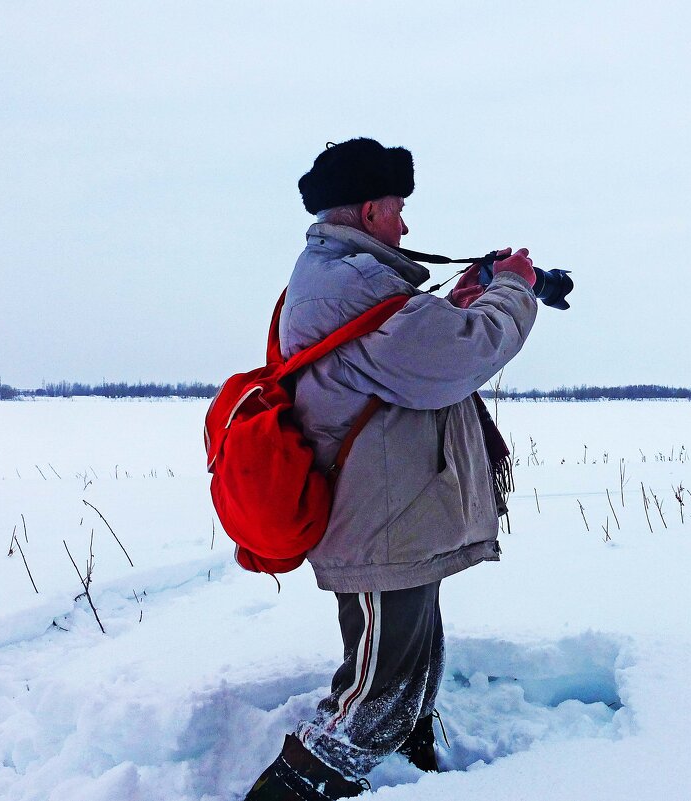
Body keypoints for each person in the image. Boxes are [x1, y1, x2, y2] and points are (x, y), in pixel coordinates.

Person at [243, 138, 538, 800]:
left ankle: (414, 779)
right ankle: (287, 792)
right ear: (372, 210)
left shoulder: (343, 278)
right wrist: (514, 289)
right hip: (380, 520)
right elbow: (462, 354)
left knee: (408, 675)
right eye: (398, 209)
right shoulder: (351, 282)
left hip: (394, 513)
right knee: (372, 703)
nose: (405, 226)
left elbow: (404, 354)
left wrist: (460, 300)